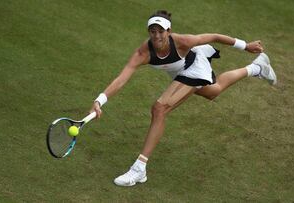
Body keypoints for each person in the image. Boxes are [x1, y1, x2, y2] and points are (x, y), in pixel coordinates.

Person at [90, 10, 276, 187]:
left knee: (159, 109)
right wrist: (99, 100)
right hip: (180, 73)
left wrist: (246, 46)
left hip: (195, 66)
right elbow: (121, 79)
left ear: (169, 31)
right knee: (214, 91)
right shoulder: (143, 53)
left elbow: (215, 37)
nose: (156, 36)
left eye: (161, 31)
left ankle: (139, 169)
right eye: (152, 31)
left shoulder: (183, 41)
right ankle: (257, 68)